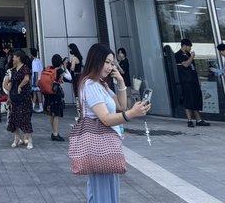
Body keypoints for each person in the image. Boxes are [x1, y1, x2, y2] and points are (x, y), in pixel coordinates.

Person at [78, 44, 150, 202]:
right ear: (96, 60)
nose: (110, 67)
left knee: (106, 193)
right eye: (107, 62)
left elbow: (121, 106)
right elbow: (105, 118)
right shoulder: (90, 85)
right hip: (99, 146)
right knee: (103, 195)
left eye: (112, 63)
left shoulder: (100, 84)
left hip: (107, 145)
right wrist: (132, 113)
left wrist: (121, 82)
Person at [174, 38, 210, 128]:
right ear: (184, 46)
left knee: (196, 99)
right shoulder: (178, 55)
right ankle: (189, 120)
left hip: (194, 80)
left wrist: (198, 80)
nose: (190, 48)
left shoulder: (188, 54)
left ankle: (199, 119)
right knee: (188, 100)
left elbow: (193, 68)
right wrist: (192, 57)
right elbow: (186, 64)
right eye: (189, 46)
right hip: (186, 81)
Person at [3, 49, 33, 148]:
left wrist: (20, 86)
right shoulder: (13, 70)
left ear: (18, 58)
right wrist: (10, 95)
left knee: (25, 118)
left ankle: (29, 140)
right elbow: (10, 84)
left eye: (14, 57)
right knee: (14, 117)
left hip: (24, 97)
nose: (12, 58)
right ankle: (16, 138)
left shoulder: (25, 68)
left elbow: (26, 79)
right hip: (15, 97)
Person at [42, 54, 71, 141]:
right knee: (56, 115)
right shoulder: (59, 70)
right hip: (55, 94)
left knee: (51, 114)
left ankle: (53, 132)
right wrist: (65, 67)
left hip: (47, 94)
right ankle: (56, 134)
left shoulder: (48, 68)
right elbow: (69, 78)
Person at [68, 43, 84, 112]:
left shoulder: (74, 58)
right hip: (80, 76)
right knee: (80, 93)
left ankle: (79, 110)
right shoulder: (79, 57)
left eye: (70, 49)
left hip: (75, 77)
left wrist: (69, 63)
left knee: (76, 93)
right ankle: (81, 108)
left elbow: (72, 68)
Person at [30, 47, 43, 113]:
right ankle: (32, 107)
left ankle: (41, 107)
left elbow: (36, 72)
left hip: (36, 79)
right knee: (35, 93)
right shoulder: (38, 60)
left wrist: (36, 81)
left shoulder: (34, 61)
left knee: (38, 93)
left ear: (31, 54)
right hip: (40, 78)